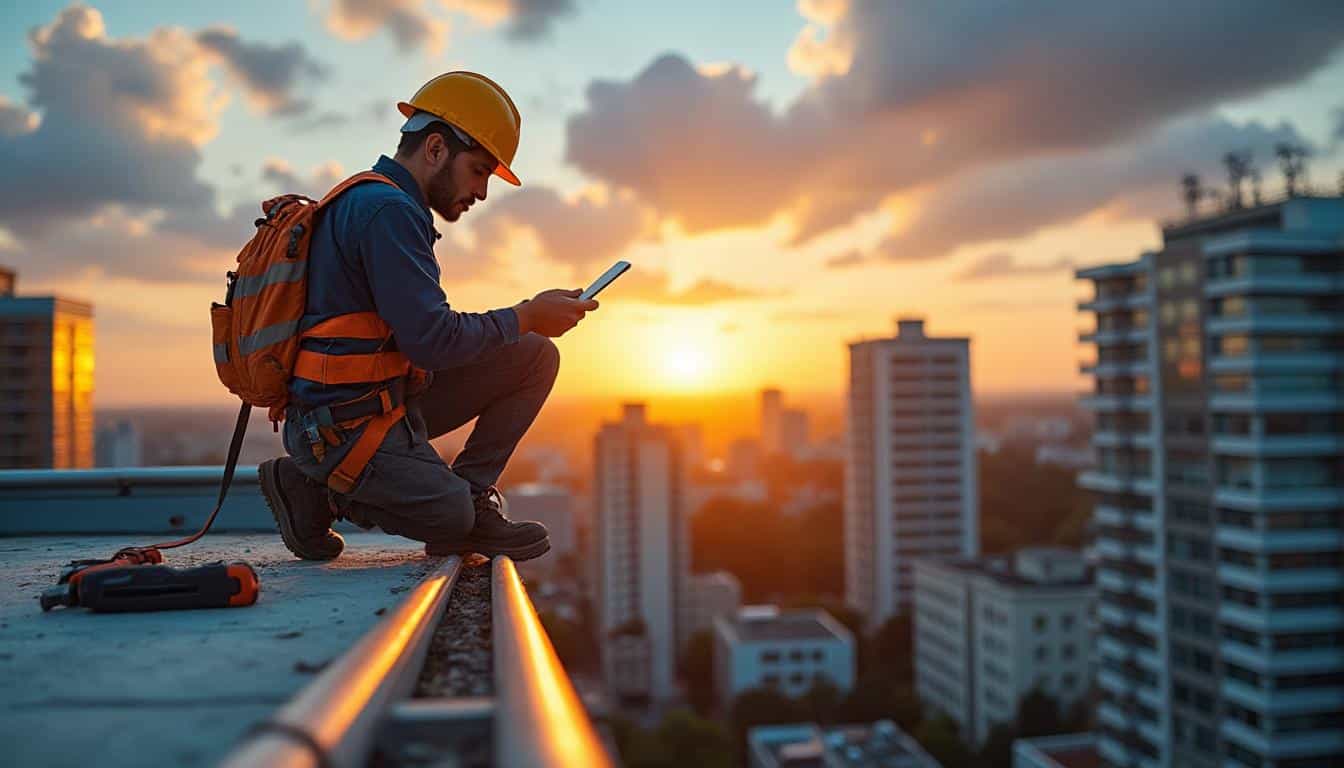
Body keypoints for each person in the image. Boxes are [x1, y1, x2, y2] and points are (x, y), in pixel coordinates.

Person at [258, 72, 597, 562]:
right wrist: (526, 314)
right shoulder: (387, 213)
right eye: (479, 170)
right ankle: (313, 491)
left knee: (533, 357)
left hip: (379, 401)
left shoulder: (375, 202)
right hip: (342, 429)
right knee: (449, 518)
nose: (482, 192)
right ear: (436, 149)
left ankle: (474, 497)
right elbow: (432, 341)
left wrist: (529, 324)